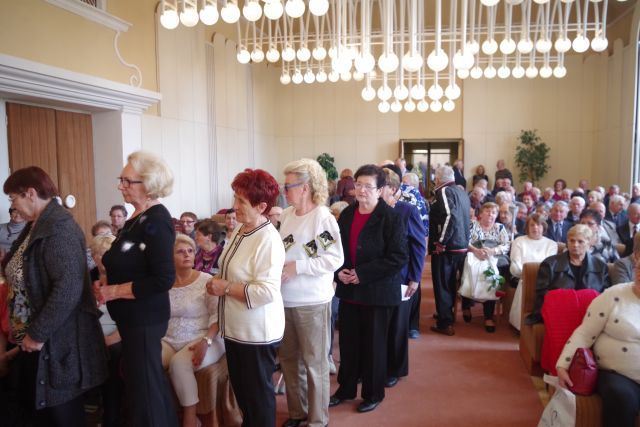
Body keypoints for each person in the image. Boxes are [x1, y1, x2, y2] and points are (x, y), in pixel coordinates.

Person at [3, 166, 107, 426]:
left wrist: (37, 333)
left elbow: (67, 289)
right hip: (35, 337)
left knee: (61, 415)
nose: (13, 205)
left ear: (30, 193)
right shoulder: (36, 224)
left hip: (54, 339)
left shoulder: (59, 228)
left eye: (13, 198)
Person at [96, 150, 178, 427]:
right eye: (121, 180)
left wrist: (114, 291)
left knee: (145, 395)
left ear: (149, 183)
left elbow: (163, 279)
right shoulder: (136, 219)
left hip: (144, 320)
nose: (121, 186)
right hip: (132, 320)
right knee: (148, 387)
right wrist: (105, 282)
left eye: (127, 181)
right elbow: (129, 263)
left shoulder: (156, 220)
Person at [206, 168, 285, 427]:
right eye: (235, 198)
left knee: (258, 400)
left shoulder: (268, 239)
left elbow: (267, 291)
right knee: (245, 398)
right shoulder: (241, 228)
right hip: (235, 330)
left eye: (241, 201)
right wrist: (218, 283)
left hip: (256, 334)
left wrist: (226, 287)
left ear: (261, 207)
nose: (235, 206)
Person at [329, 164, 408, 414]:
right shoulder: (348, 214)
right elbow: (337, 249)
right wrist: (339, 270)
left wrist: (362, 274)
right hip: (350, 292)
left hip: (377, 292)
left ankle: (373, 393)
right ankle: (346, 389)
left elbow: (398, 257)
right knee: (349, 344)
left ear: (381, 189)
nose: (361, 190)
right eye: (358, 185)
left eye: (368, 186)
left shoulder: (391, 217)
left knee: (374, 346)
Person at [278, 159, 344, 427]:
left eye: (288, 186)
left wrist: (299, 267)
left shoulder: (322, 218)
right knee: (289, 361)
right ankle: (298, 412)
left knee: (315, 364)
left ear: (305, 188)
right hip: (285, 300)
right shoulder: (286, 215)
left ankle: (318, 419)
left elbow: (334, 258)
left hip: (312, 302)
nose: (284, 191)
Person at [556, 232, 640, 427]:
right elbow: (585, 333)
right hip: (617, 373)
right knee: (621, 397)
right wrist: (563, 365)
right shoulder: (614, 295)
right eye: (639, 268)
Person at [162, 234, 225, 427]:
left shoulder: (206, 281)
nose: (187, 255)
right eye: (180, 252)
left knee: (179, 364)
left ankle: (190, 418)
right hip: (169, 338)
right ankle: (162, 413)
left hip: (205, 335)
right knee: (147, 360)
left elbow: (218, 316)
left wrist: (206, 341)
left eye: (190, 251)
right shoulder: (164, 283)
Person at [380, 168, 426, 384]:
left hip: (402, 276)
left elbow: (418, 246)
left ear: (392, 189)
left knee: (397, 326)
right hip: (377, 278)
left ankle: (395, 369)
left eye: (379, 186)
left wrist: (415, 278)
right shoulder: (372, 210)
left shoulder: (408, 210)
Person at [526, 224, 610, 324]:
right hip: (558, 311)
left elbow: (606, 294)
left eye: (580, 241)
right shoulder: (550, 264)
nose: (575, 245)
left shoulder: (601, 266)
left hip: (590, 312)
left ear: (589, 243)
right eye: (572, 241)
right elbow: (542, 293)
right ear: (567, 242)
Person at [430, 165, 471, 336]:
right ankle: (447, 313)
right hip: (461, 245)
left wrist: (441, 242)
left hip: (448, 247)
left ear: (438, 179)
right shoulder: (461, 192)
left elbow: (450, 216)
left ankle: (445, 322)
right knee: (450, 283)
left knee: (442, 284)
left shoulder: (444, 191)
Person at [89, 234, 123, 427]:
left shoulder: (123, 280)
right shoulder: (89, 278)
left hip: (118, 334)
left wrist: (110, 339)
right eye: (97, 253)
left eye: (105, 253)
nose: (101, 258)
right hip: (92, 333)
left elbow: (129, 320)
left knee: (112, 352)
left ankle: (111, 417)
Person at [462, 202, 511, 333]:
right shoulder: (472, 225)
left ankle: (488, 316)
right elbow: (464, 240)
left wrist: (493, 251)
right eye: (487, 211)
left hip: (492, 257)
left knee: (491, 276)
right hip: (473, 254)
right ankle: (466, 305)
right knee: (469, 267)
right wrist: (475, 251)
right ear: (481, 213)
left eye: (494, 212)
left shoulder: (499, 227)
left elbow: (506, 245)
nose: (490, 214)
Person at [508, 214, 558, 331]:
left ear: (544, 227)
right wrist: (526, 274)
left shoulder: (551, 244)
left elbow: (549, 265)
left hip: (544, 278)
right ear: (527, 227)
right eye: (532, 225)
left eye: (539, 225)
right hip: (522, 276)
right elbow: (516, 263)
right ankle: (520, 324)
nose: (535, 227)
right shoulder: (519, 241)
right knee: (526, 283)